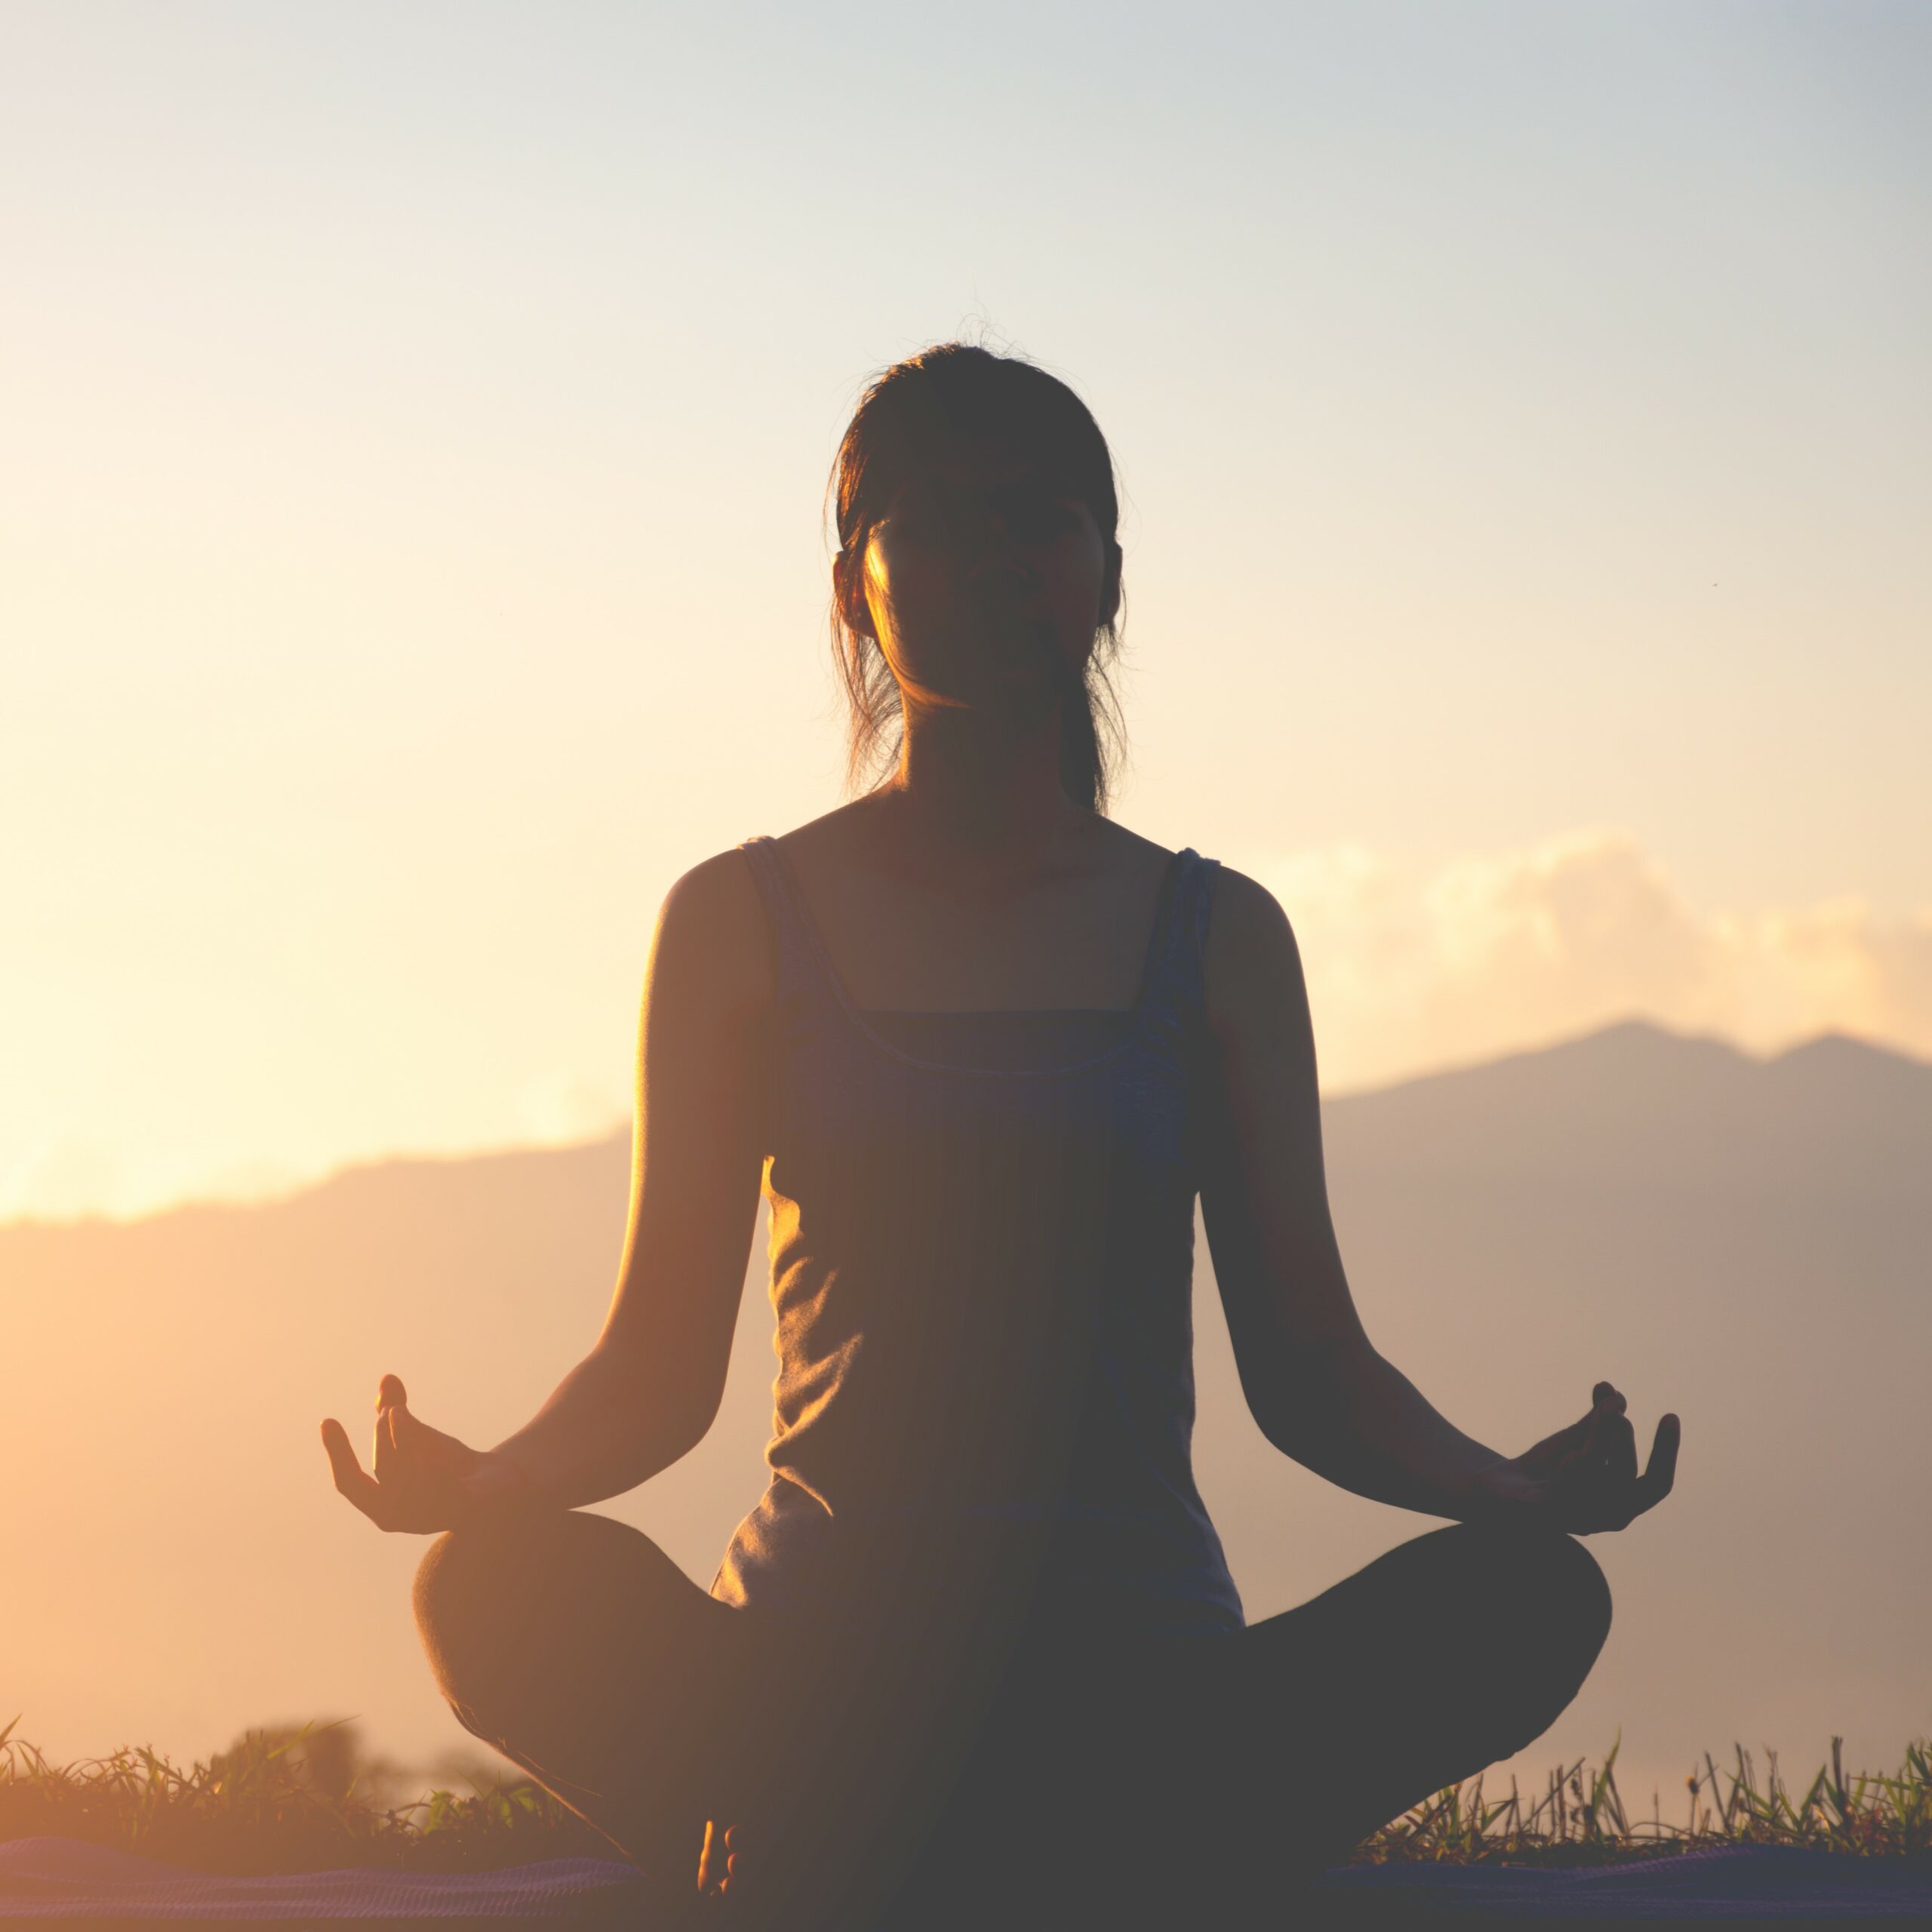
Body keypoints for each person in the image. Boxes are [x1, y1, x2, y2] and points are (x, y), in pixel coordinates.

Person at [320, 342, 1681, 1932]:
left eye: (1042, 520)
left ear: (1108, 577)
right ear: (854, 585)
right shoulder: (738, 923)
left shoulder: (1215, 934)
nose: (997, 557)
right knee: (482, 1586)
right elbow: (656, 1368)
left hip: (1145, 1701)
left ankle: (872, 1872)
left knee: (1528, 1598)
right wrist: (484, 1477)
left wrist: (1506, 1491)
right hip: (810, 1700)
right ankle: (982, 1863)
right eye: (944, 519)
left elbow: (1309, 1366)